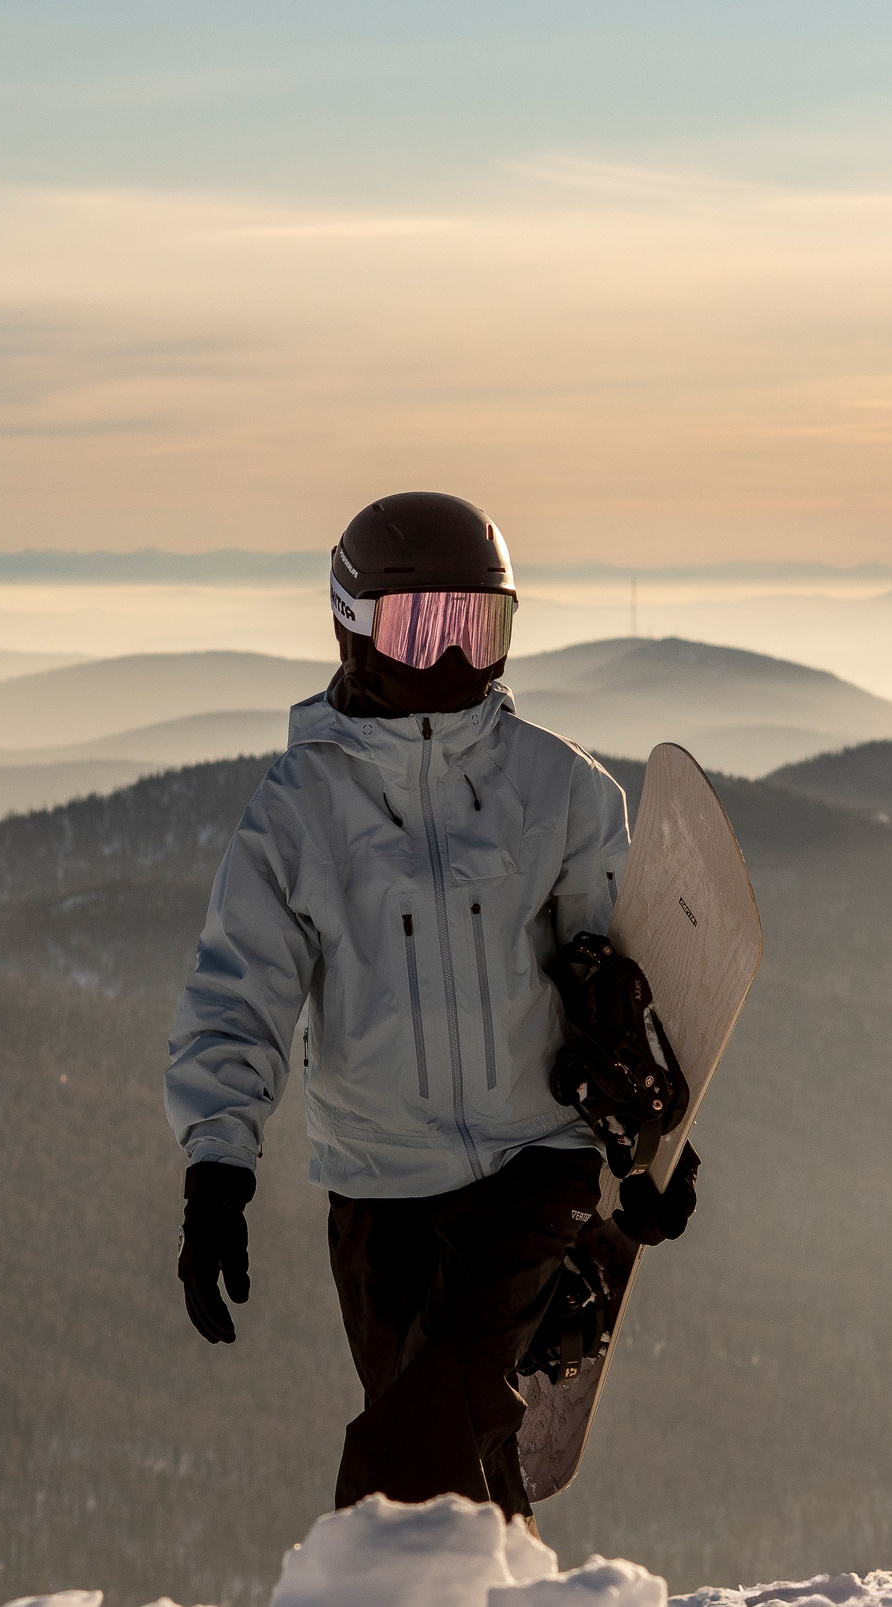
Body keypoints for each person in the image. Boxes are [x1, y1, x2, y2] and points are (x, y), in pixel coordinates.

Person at [165, 491, 699, 1521]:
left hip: (529, 1166)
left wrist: (653, 1159)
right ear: (351, 625)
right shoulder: (299, 810)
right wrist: (215, 1175)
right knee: (447, 1456)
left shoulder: (560, 789)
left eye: (477, 628)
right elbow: (241, 994)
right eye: (423, 628)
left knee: (408, 1457)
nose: (452, 662)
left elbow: (622, 994)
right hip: (377, 1188)